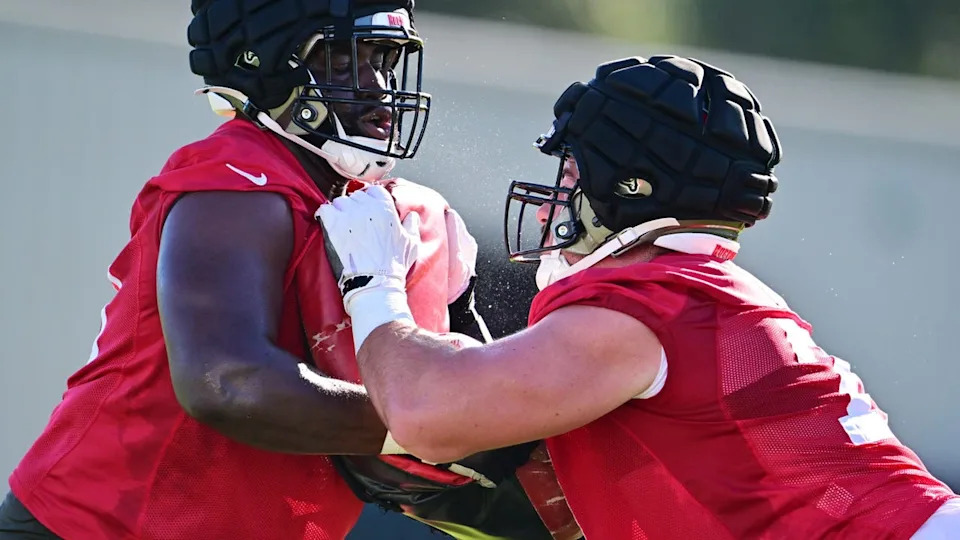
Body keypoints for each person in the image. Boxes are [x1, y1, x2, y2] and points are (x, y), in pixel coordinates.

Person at [318, 55, 960, 539]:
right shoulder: (697, 292)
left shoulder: (641, 308)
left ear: (630, 189)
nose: (557, 191)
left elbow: (425, 412)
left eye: (570, 170)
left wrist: (373, 286)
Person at [0, 1, 577, 538]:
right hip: (98, 524)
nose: (378, 89)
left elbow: (467, 400)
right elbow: (227, 384)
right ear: (269, 64)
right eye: (345, 60)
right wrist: (422, 421)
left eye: (381, 61)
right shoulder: (234, 176)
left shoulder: (389, 209)